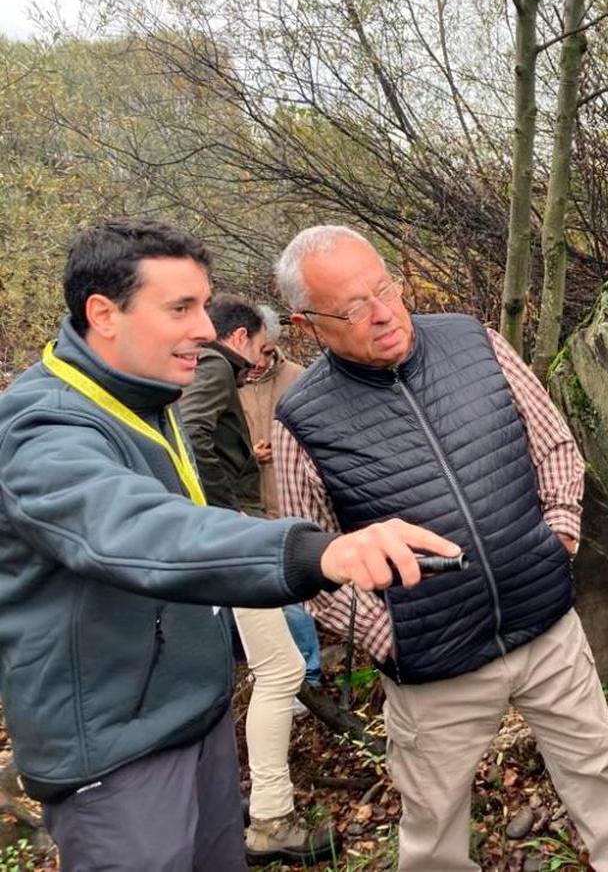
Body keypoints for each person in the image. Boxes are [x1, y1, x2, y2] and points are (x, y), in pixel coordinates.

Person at [0, 218, 459, 872]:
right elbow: (135, 529)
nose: (203, 328)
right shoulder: (43, 425)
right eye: (180, 308)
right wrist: (319, 552)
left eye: (203, 303)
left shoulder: (145, 395)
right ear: (104, 313)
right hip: (118, 760)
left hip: (194, 721)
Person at [271, 225, 608, 872]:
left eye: (385, 288)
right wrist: (387, 631)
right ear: (308, 325)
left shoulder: (473, 341)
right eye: (353, 308)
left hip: (546, 627)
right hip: (434, 666)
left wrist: (557, 535)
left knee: (598, 772)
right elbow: (310, 561)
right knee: (433, 829)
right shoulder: (302, 420)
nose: (384, 313)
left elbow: (554, 444)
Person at [178, 295, 333, 863]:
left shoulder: (188, 367)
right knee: (281, 667)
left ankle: (241, 805)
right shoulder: (216, 364)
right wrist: (225, 515)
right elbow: (195, 434)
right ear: (239, 336)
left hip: (204, 542)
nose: (255, 366)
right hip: (226, 542)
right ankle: (270, 818)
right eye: (260, 351)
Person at [238, 308, 322, 691]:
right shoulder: (221, 383)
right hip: (247, 504)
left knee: (295, 591)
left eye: (266, 350)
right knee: (269, 593)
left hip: (294, 499)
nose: (259, 360)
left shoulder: (300, 378)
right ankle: (278, 679)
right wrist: (248, 455)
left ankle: (310, 675)